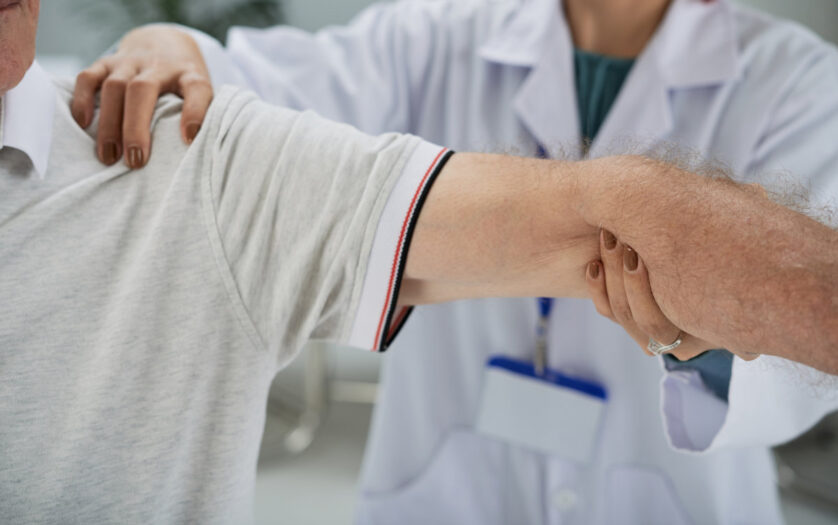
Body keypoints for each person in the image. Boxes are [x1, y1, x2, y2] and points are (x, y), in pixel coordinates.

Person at [6, 1, 836, 524]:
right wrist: (171, 38)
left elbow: (813, 321)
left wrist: (711, 343)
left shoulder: (798, 81)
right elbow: (231, 109)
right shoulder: (428, 35)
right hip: (445, 486)